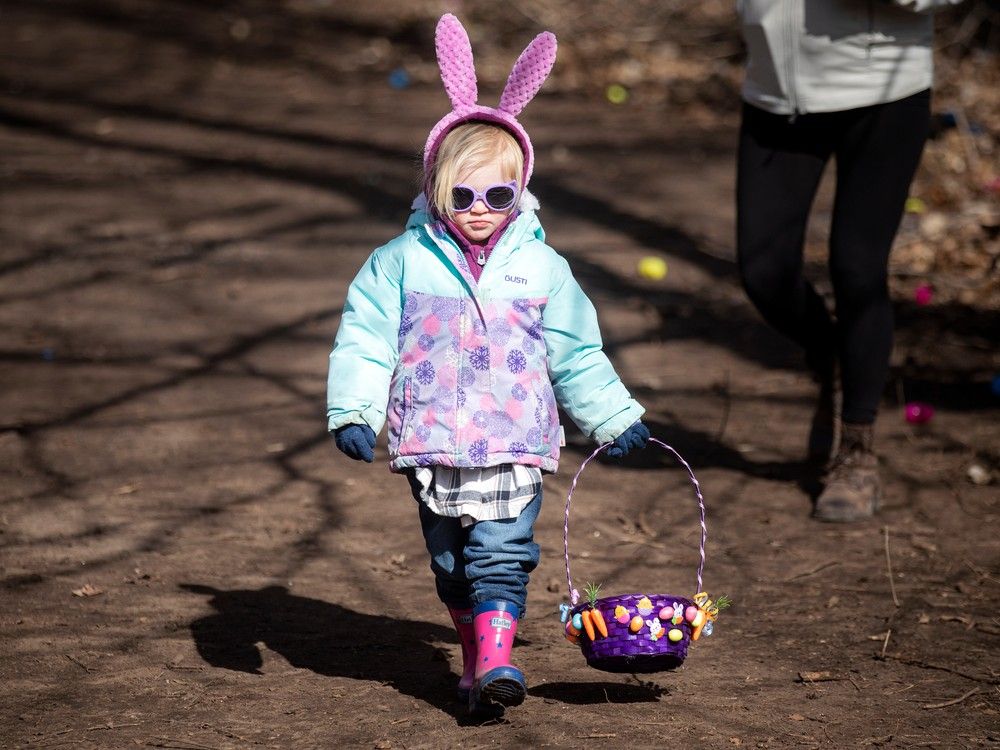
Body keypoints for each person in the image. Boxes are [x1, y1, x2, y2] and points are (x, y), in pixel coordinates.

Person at [326, 14, 649, 717]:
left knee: (501, 556)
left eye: (497, 196)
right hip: (433, 439)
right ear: (436, 188)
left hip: (512, 439)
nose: (478, 210)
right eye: (462, 195)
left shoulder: (541, 267)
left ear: (520, 191)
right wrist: (354, 409)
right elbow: (365, 338)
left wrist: (613, 414)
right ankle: (475, 665)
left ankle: (500, 660)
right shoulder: (401, 262)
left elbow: (576, 347)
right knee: (451, 567)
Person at [735, 0, 962, 522]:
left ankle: (857, 451)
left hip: (883, 89)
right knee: (763, 271)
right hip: (776, 92)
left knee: (857, 267)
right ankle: (835, 361)